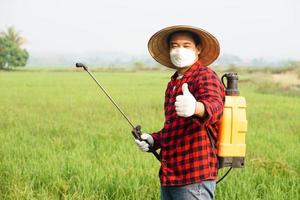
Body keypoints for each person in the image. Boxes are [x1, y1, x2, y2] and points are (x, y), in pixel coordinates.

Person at [135, 25, 225, 200]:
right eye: (175, 46)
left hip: (194, 174)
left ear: (197, 49)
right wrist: (154, 140)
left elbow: (215, 107)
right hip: (170, 175)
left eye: (186, 45)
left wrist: (196, 107)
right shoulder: (173, 83)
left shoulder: (205, 75)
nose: (179, 50)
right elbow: (173, 129)